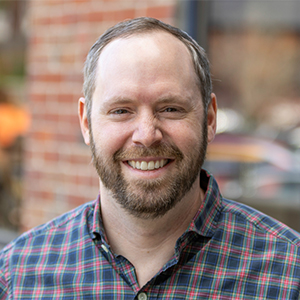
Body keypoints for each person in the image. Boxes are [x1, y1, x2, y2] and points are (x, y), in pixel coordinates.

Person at [0, 17, 300, 299]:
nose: (146, 134)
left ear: (209, 119)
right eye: (121, 110)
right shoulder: (18, 275)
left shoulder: (289, 273)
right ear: (86, 123)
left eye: (170, 108)